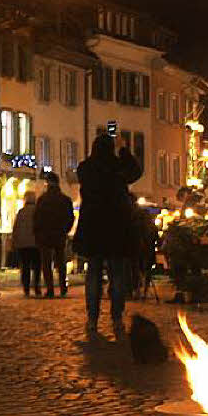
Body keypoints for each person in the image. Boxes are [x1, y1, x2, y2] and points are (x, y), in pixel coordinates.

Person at [73, 133, 142, 337]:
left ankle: (92, 319)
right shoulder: (118, 167)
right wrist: (123, 150)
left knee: (93, 273)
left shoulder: (85, 168)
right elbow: (136, 172)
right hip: (116, 228)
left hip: (93, 227)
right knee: (117, 274)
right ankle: (117, 317)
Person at [34, 171, 75, 298]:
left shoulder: (42, 200)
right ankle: (63, 287)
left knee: (46, 263)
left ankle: (50, 289)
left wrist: (38, 232)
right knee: (60, 261)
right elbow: (70, 217)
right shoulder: (65, 200)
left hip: (45, 235)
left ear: (47, 184)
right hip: (59, 233)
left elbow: (37, 218)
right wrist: (65, 230)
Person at [12, 191, 41, 297]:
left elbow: (16, 228)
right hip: (36, 243)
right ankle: (37, 286)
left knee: (25, 266)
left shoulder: (21, 212)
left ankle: (26, 288)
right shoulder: (38, 211)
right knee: (36, 266)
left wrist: (15, 241)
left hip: (23, 244)